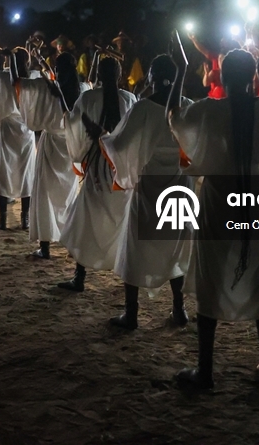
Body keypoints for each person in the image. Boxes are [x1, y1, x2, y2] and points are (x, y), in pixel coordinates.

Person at [168, 32, 259, 389]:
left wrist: (180, 71)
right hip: (255, 194)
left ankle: (205, 371)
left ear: (221, 75)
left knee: (212, 273)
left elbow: (174, 119)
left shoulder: (209, 108)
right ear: (251, 76)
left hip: (220, 196)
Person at [102, 54, 193, 330]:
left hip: (149, 185)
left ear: (152, 77)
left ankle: (131, 314)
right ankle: (179, 310)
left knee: (136, 246)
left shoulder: (143, 108)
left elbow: (119, 144)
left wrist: (102, 138)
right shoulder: (187, 106)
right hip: (179, 184)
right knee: (174, 246)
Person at [57, 57, 136, 292]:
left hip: (96, 164)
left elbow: (74, 125)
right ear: (120, 74)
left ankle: (80, 277)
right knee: (121, 218)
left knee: (86, 218)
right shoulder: (129, 98)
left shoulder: (88, 97)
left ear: (99, 76)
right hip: (119, 166)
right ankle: (124, 274)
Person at [19, 51, 81, 259]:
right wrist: (43, 64)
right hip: (71, 144)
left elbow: (20, 83)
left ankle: (45, 247)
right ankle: (71, 242)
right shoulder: (82, 90)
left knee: (44, 194)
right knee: (69, 194)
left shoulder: (49, 90)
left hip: (52, 142)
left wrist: (34, 64)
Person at [0, 46, 36, 229]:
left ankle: (2, 220)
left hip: (8, 129)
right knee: (26, 174)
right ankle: (25, 219)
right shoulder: (33, 78)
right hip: (27, 131)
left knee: (4, 173)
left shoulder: (2, 77)